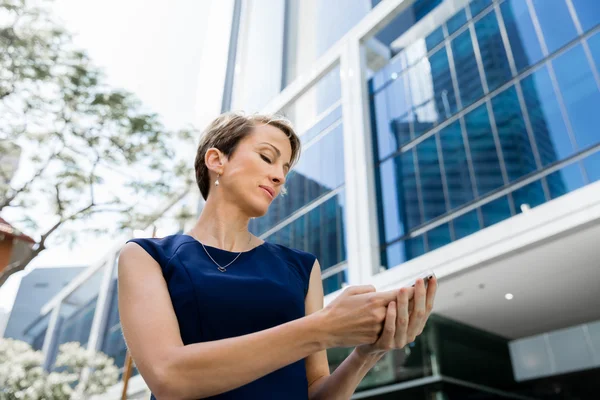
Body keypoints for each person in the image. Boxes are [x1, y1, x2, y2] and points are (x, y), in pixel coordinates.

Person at [118, 112, 438, 400]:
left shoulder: (301, 268)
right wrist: (323, 328)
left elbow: (317, 394)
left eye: (284, 168)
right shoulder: (147, 256)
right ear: (216, 159)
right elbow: (169, 378)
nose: (279, 176)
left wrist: (367, 354)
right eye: (267, 157)